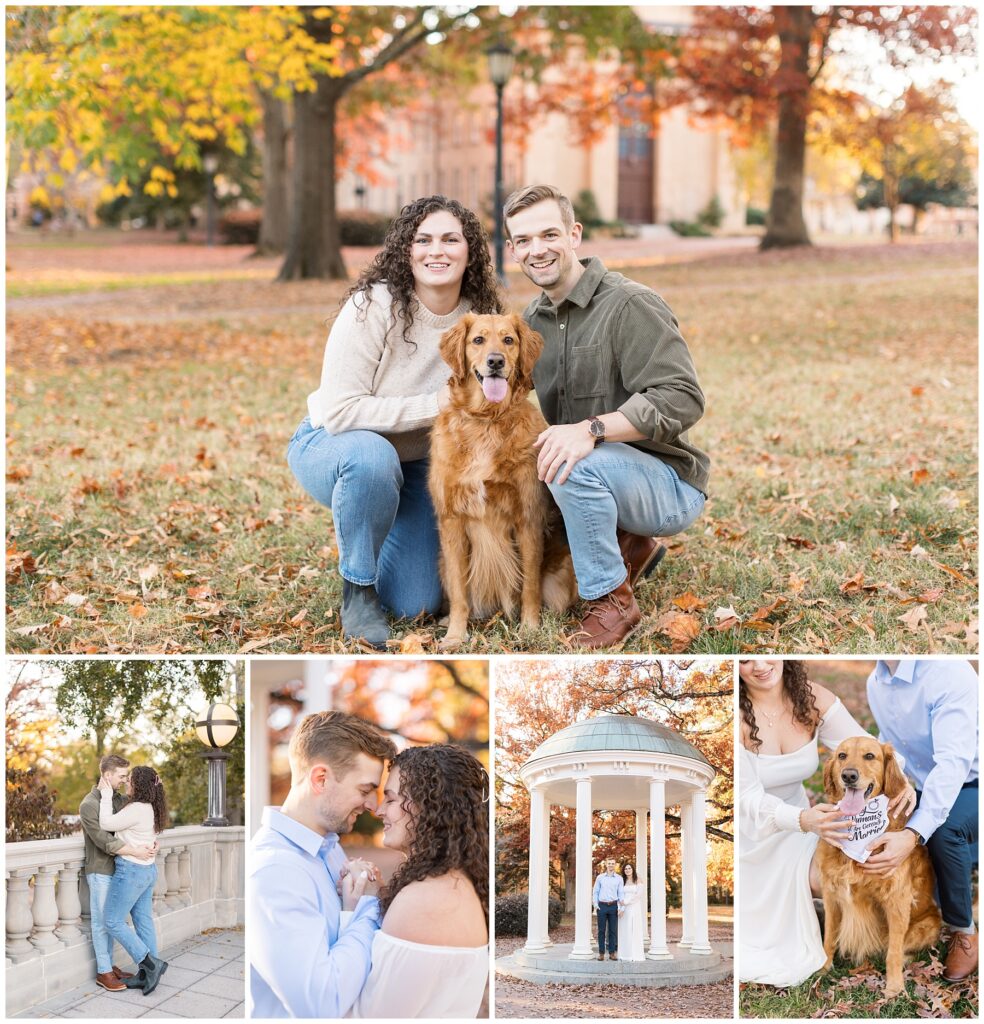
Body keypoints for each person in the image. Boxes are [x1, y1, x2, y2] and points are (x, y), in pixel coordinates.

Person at [287, 196, 503, 649]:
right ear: (406, 249)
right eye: (423, 240)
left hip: (420, 465)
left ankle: (378, 531)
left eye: (450, 239)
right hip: (336, 446)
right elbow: (340, 410)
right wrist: (440, 403)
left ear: (471, 251)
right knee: (372, 458)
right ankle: (358, 588)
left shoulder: (478, 317)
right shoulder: (374, 305)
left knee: (415, 602)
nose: (436, 251)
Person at [503, 184, 709, 648]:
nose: (538, 250)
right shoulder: (531, 324)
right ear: (513, 250)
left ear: (574, 235)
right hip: (597, 476)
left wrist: (591, 430)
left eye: (548, 234)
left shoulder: (629, 305)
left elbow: (683, 397)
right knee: (542, 462)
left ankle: (612, 602)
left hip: (668, 483)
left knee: (568, 459)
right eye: (524, 241)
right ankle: (629, 544)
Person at [737, 659, 915, 987]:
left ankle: (873, 935)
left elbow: (867, 748)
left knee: (842, 874)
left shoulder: (812, 698)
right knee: (822, 886)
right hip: (755, 832)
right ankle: (816, 922)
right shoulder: (736, 719)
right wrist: (802, 819)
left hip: (806, 823)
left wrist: (905, 784)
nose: (761, 666)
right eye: (745, 661)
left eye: (768, 655)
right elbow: (746, 799)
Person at [248, 710, 397, 1018]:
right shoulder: (276, 871)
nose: (373, 805)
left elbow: (339, 945)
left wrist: (350, 909)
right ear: (321, 779)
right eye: (365, 790)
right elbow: (322, 1005)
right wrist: (368, 906)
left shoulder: (327, 848)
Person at [348, 744, 489, 1018]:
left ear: (429, 805)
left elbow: (366, 1018)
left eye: (390, 799)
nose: (379, 811)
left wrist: (350, 914)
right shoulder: (451, 884)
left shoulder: (426, 900)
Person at [864, 659, 979, 982]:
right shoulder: (876, 682)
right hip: (924, 785)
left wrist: (915, 831)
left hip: (974, 780)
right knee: (893, 823)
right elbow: (893, 745)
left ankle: (964, 931)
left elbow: (954, 763)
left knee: (942, 831)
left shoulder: (949, 672)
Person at [78, 754, 158, 993]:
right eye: (122, 776)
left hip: (122, 869)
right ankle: (104, 971)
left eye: (127, 777)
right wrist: (136, 851)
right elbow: (103, 840)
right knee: (104, 922)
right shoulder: (88, 805)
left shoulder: (119, 800)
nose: (125, 781)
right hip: (101, 869)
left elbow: (137, 825)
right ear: (107, 775)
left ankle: (111, 966)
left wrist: (151, 844)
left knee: (115, 920)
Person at [98, 764, 171, 995]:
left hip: (131, 871)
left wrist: (107, 795)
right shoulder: (150, 807)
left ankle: (149, 963)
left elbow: (106, 824)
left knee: (111, 921)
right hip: (147, 872)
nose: (128, 782)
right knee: (143, 922)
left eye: (131, 780)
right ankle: (147, 973)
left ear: (139, 785)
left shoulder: (137, 808)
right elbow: (150, 835)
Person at [592, 859, 624, 961]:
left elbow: (621, 894)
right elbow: (595, 892)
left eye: (613, 863)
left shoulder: (619, 878)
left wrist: (621, 907)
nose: (611, 865)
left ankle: (612, 953)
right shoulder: (600, 877)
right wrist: (596, 905)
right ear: (606, 865)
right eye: (609, 863)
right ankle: (601, 953)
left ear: (615, 865)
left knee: (612, 931)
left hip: (613, 906)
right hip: (602, 906)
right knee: (601, 931)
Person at [617, 862, 645, 962]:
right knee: (624, 930)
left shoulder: (638, 879)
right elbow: (620, 895)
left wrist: (626, 902)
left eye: (629, 868)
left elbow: (638, 895)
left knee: (634, 929)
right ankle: (625, 954)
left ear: (632, 869)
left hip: (634, 907)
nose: (627, 870)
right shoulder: (622, 881)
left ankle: (635, 954)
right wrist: (620, 907)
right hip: (624, 909)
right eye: (625, 869)